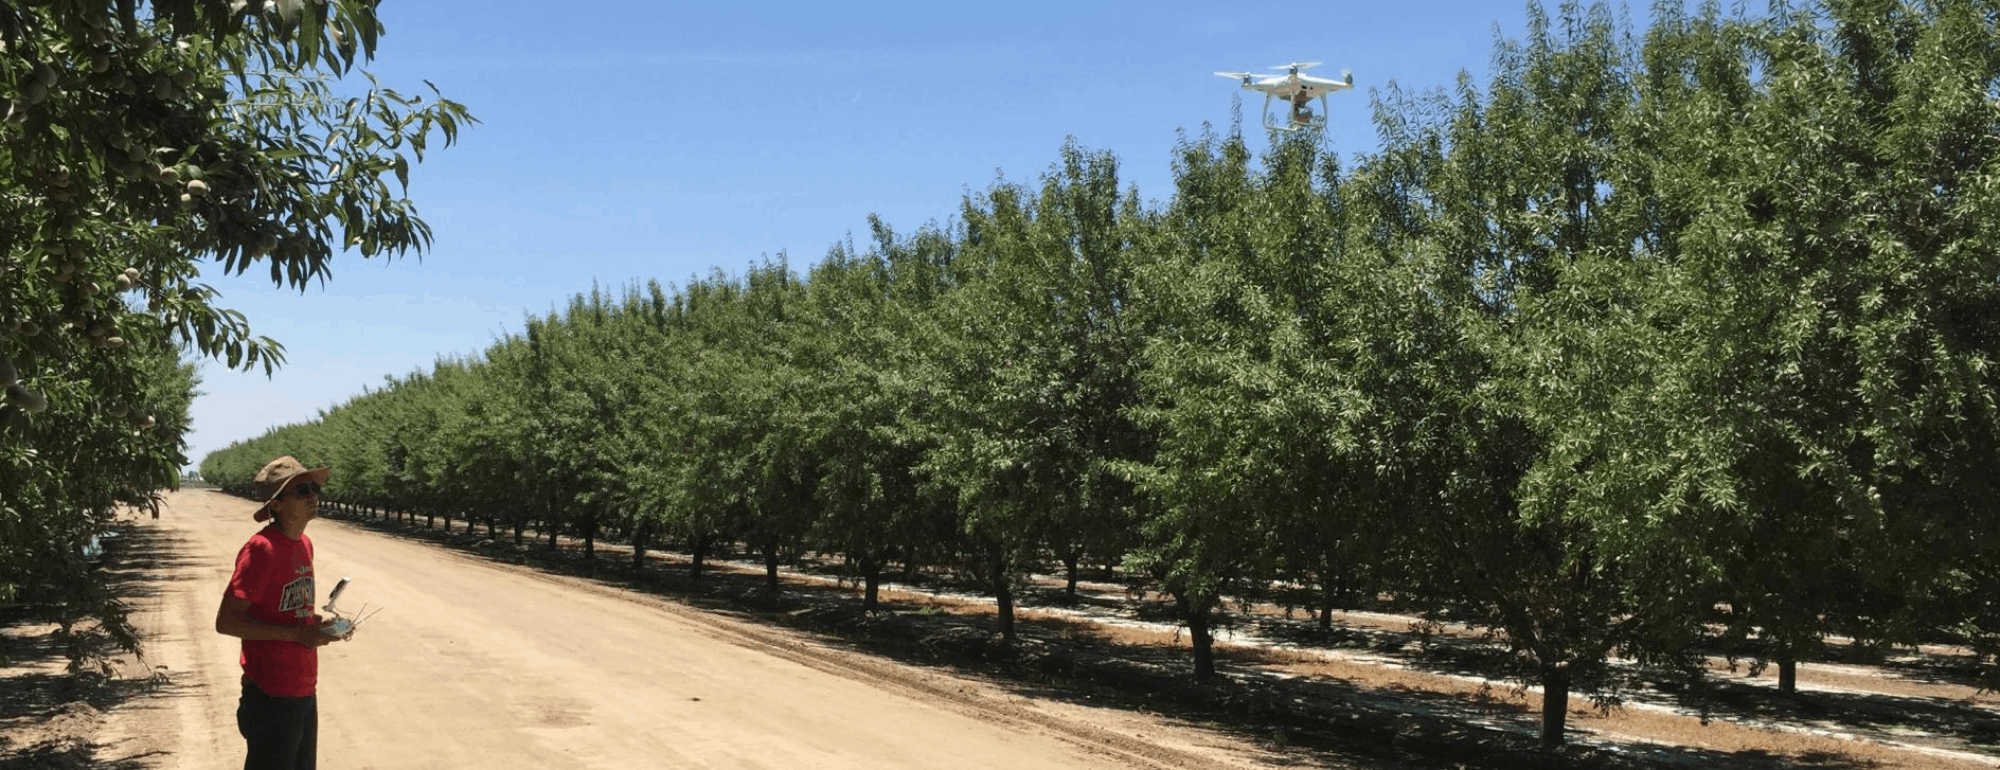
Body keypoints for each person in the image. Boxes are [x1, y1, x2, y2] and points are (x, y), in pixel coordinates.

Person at [215, 455, 342, 770]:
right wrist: (296, 634)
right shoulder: (261, 549)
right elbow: (227, 621)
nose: (312, 497)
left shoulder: (304, 544)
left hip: (302, 686)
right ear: (275, 505)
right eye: (301, 491)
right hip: (270, 692)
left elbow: (289, 613)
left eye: (313, 489)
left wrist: (317, 626)